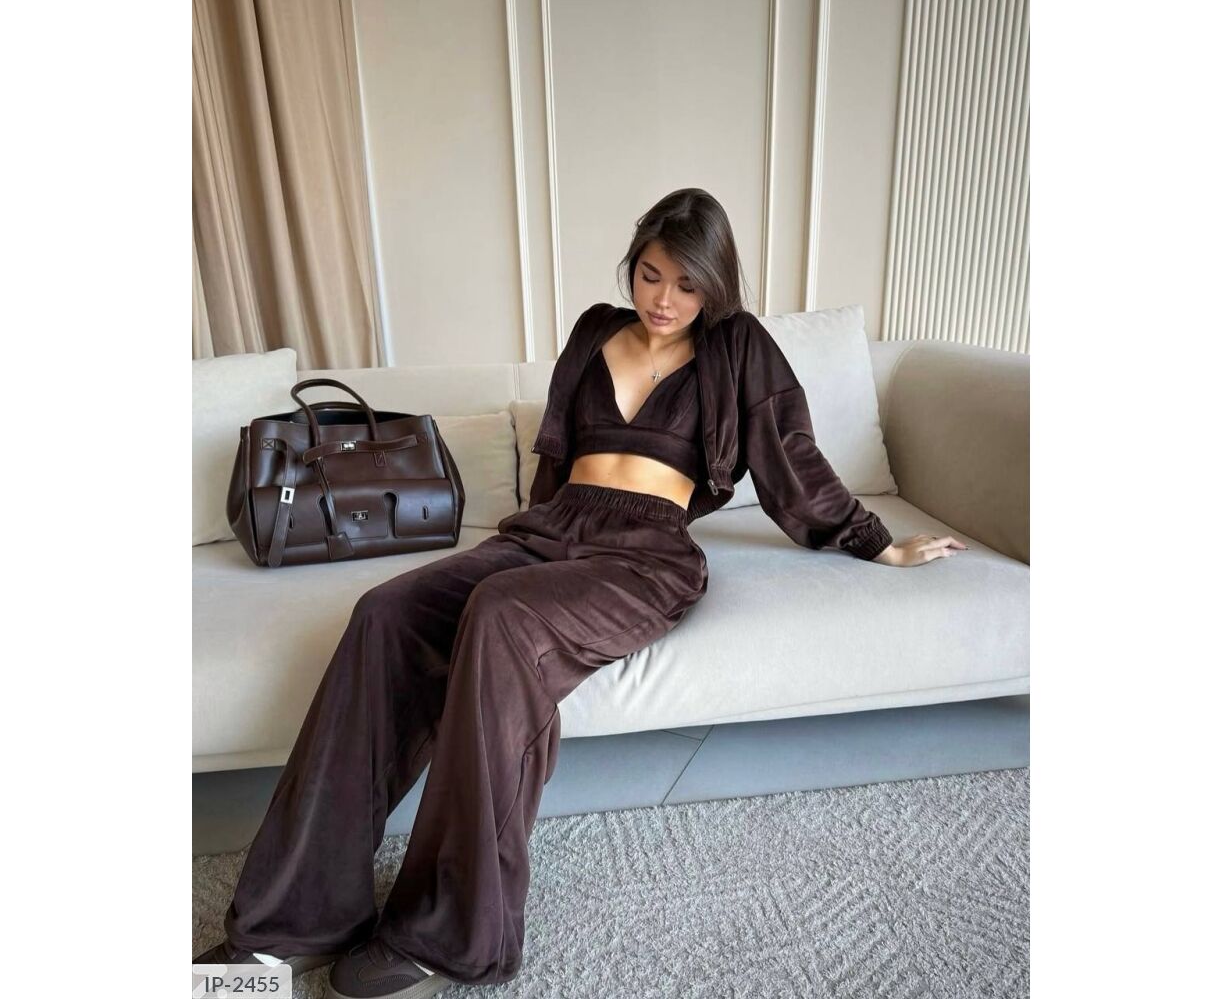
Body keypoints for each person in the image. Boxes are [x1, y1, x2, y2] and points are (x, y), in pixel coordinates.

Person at [193, 188, 965, 999]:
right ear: (632, 266)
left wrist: (875, 541)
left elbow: (791, 460)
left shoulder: (738, 344)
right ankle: (295, 921)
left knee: (502, 621)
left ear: (715, 285)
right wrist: (520, 545)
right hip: (551, 528)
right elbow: (555, 462)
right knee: (384, 613)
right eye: (651, 275)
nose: (664, 300)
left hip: (648, 552)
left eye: (687, 285)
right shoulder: (595, 330)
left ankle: (451, 935)